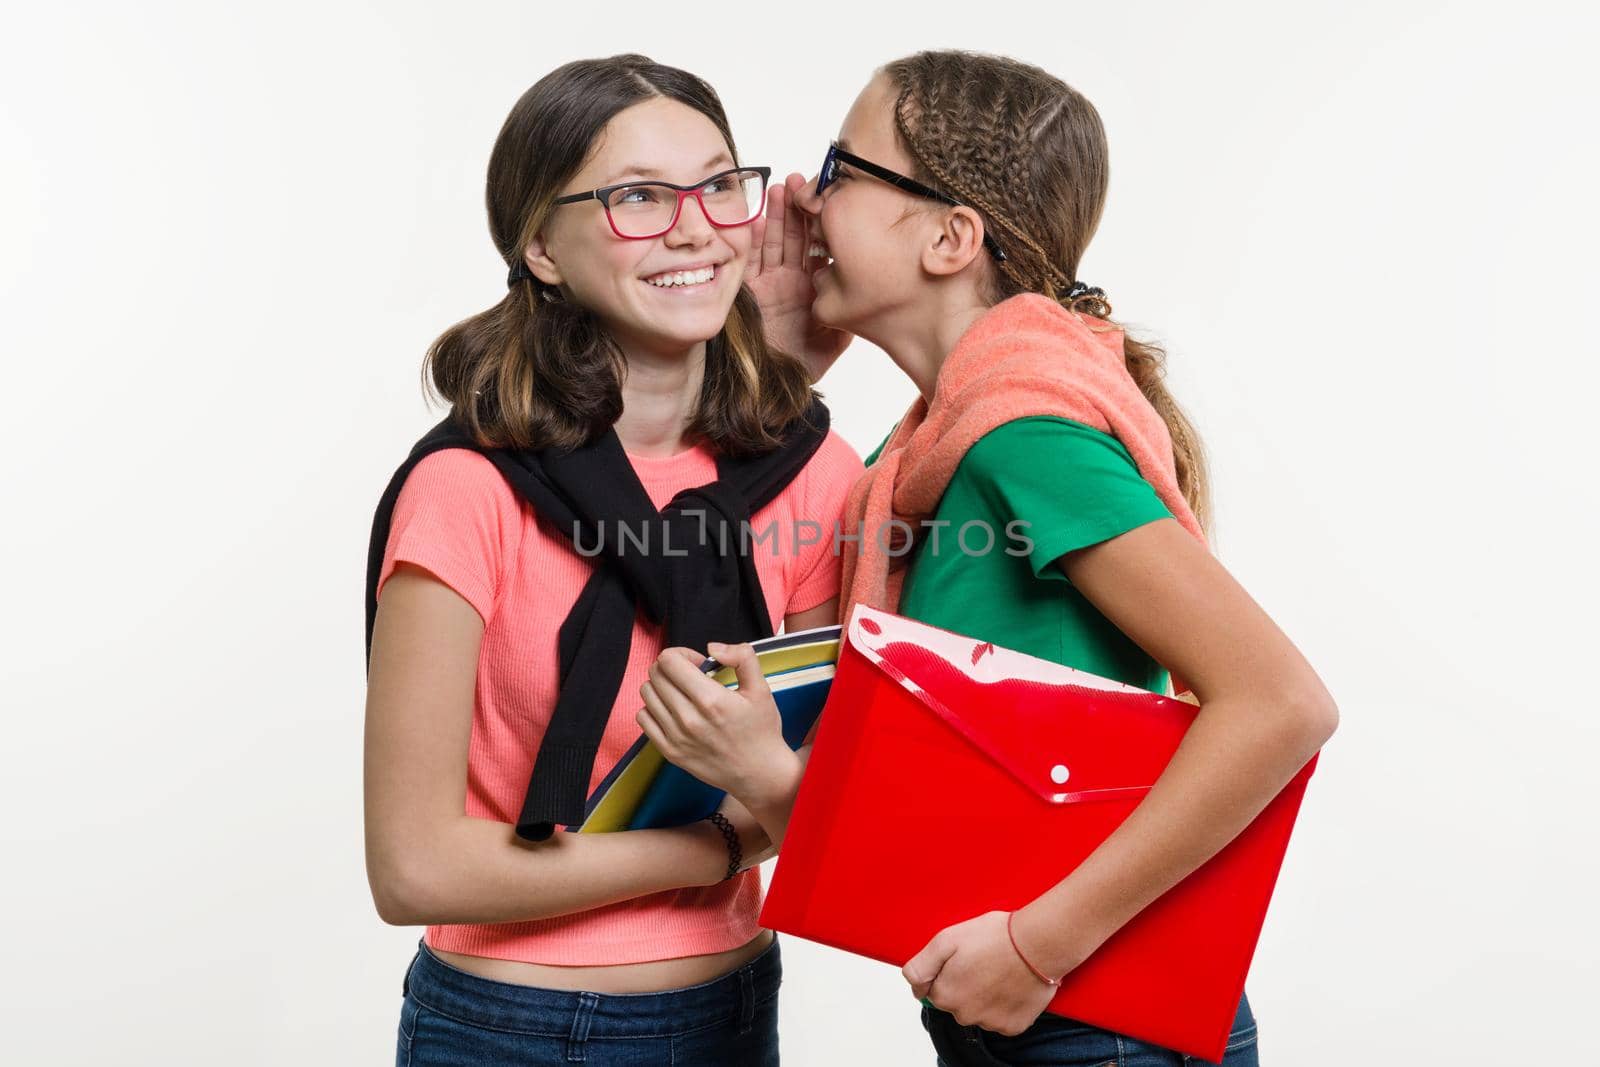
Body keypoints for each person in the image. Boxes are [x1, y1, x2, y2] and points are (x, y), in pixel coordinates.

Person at [637, 49, 1337, 1067]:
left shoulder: (1021, 437)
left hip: (1090, 1011)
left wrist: (1036, 946)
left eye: (838, 171)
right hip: (1032, 1002)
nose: (798, 202)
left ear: (949, 236)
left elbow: (1282, 702)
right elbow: (933, 791)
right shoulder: (928, 451)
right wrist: (778, 357)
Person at [362, 54, 862, 1066]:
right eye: (639, 195)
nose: (694, 226)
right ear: (542, 244)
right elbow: (413, 866)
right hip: (507, 1024)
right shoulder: (469, 486)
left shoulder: (811, 473)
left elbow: (827, 800)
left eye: (719, 184)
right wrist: (716, 844)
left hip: (726, 1007)